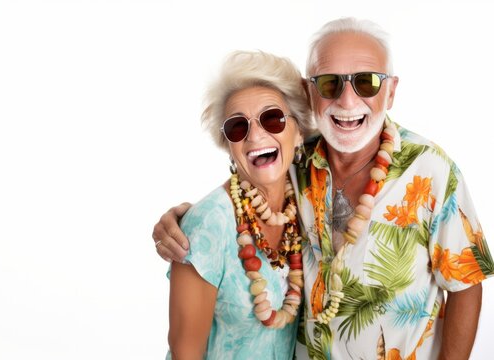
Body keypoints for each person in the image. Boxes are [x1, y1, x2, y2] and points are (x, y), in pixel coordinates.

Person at [155, 18, 494, 359]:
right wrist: (186, 219)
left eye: (367, 82)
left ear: (390, 91)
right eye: (330, 83)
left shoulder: (430, 170)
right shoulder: (297, 161)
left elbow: (466, 286)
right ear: (309, 92)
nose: (348, 100)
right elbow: (246, 183)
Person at [165, 50, 314, 359]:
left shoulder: (308, 201)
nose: (255, 135)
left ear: (299, 131)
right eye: (238, 127)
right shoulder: (209, 224)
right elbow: (185, 352)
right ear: (230, 148)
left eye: (272, 119)